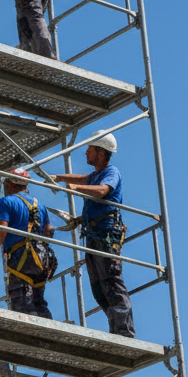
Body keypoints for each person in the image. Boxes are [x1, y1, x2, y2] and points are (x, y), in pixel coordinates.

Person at [53, 131, 134, 337]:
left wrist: (76, 188)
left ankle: (124, 332)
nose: (86, 152)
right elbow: (84, 179)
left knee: (111, 281)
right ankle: (115, 329)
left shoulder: (111, 172)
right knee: (98, 287)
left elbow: (102, 191)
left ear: (101, 152)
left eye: (90, 149)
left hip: (106, 234)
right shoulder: (96, 175)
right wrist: (59, 178)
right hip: (94, 234)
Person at [0, 169, 54, 319]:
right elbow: (48, 232)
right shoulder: (41, 207)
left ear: (10, 184)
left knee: (22, 303)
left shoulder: (7, 202)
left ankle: (30, 332)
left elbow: (1, 230)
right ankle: (48, 329)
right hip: (41, 258)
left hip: (21, 258)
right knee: (39, 301)